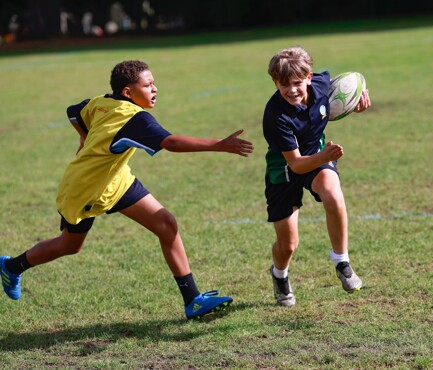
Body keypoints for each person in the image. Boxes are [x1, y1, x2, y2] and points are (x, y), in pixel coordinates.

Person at [0, 60, 254, 319]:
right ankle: (12, 266)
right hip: (86, 188)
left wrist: (85, 138)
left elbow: (74, 112)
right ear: (127, 93)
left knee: (166, 224)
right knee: (69, 245)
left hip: (117, 180)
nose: (155, 89)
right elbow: (171, 142)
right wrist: (217, 144)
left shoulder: (101, 102)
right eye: (148, 85)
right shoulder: (135, 119)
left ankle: (193, 300)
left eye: (154, 83)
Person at [262, 46, 371, 306]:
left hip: (317, 157)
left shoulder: (322, 84)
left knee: (333, 194)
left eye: (297, 83)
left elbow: (329, 104)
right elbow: (297, 165)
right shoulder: (275, 116)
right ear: (275, 82)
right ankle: (279, 275)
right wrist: (324, 157)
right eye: (283, 84)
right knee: (288, 245)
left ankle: (341, 261)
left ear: (309, 77)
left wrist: (355, 103)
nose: (291, 90)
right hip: (286, 169)